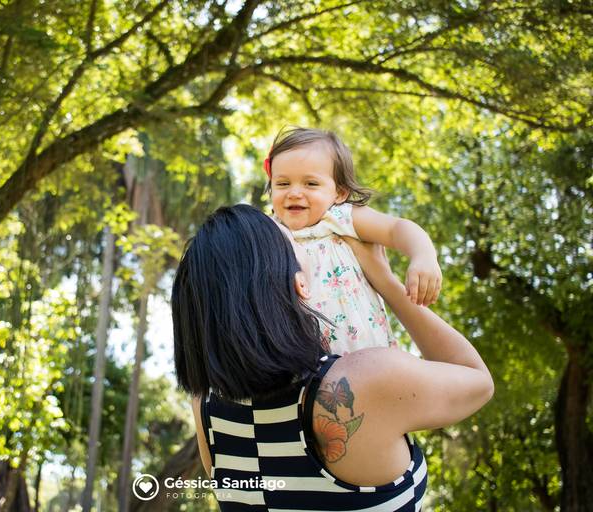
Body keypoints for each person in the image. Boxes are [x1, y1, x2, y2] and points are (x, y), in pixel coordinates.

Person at [172, 204, 493, 511]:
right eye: (293, 243)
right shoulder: (363, 382)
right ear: (299, 284)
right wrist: (386, 282)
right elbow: (478, 382)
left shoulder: (207, 407)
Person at [265, 127, 442, 354]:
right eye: (283, 184)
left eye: (310, 184)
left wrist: (423, 255)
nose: (294, 193)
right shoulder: (270, 232)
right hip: (303, 364)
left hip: (365, 354)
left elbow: (396, 228)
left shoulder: (340, 218)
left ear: (339, 193)